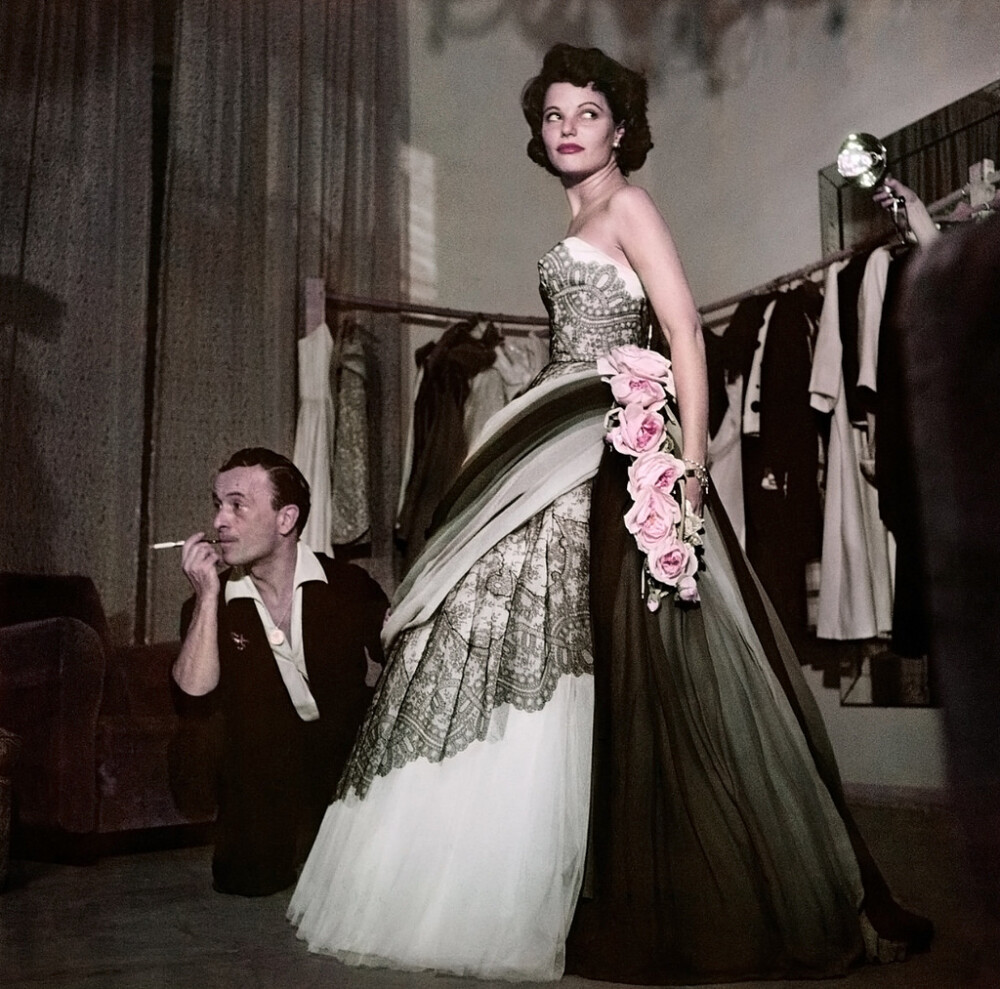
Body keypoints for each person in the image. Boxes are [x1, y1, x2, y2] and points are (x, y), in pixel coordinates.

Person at [289, 44, 931, 982]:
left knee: (644, 642)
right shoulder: (578, 210)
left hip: (615, 423)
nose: (566, 131)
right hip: (558, 412)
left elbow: (680, 332)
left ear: (620, 127)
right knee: (511, 612)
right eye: (553, 117)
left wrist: (688, 461)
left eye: (585, 114)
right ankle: (514, 857)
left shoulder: (628, 203)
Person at [173, 447, 388, 897]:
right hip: (263, 771)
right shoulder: (206, 605)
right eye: (217, 505)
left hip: (347, 759)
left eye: (237, 505)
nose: (219, 522)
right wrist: (209, 595)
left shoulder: (348, 587)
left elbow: (402, 660)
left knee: (364, 886)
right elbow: (193, 699)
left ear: (285, 520)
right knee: (243, 879)